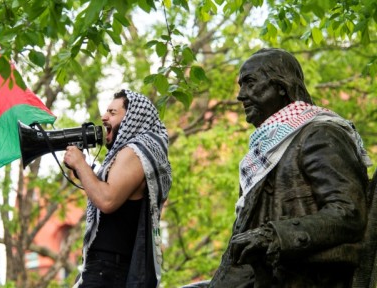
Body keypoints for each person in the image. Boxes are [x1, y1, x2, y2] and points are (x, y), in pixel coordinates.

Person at [209, 48, 372, 287]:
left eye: (250, 83)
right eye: (241, 85)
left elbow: (349, 212)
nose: (240, 95)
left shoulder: (320, 134)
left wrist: (275, 235)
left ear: (281, 87)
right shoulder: (263, 153)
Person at [64, 89, 172, 288]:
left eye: (113, 113)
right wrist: (83, 170)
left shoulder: (134, 151)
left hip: (109, 271)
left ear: (133, 118)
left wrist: (80, 164)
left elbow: (107, 200)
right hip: (105, 269)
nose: (104, 117)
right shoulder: (132, 153)